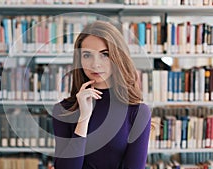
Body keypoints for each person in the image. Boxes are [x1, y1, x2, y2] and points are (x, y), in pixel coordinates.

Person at [52, 20, 151, 169]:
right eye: (87, 55)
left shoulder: (137, 112)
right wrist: (83, 119)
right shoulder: (62, 110)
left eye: (104, 54)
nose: (95, 64)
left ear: (117, 57)